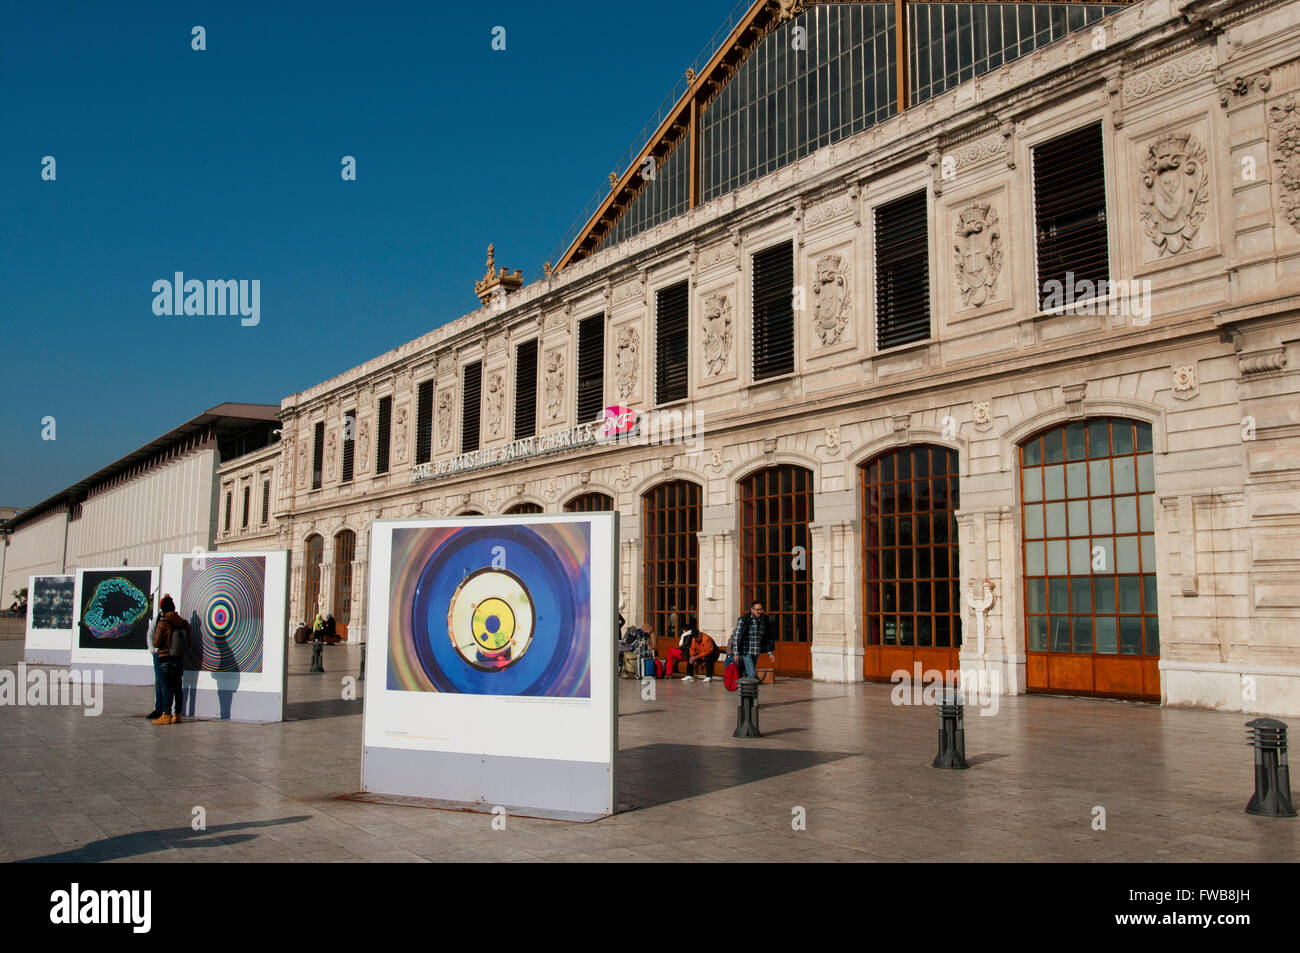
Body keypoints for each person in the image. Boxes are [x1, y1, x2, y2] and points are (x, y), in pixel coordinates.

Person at [152, 594, 190, 725]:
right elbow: (189, 641)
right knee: (178, 687)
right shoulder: (184, 623)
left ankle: (166, 715)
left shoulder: (162, 623)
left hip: (165, 659)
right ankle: (178, 714)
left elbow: (156, 643)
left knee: (166, 688)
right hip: (179, 660)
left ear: (163, 609)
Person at [731, 600, 776, 680]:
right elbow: (737, 637)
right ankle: (752, 687)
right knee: (752, 673)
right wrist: (736, 653)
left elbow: (767, 638)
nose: (759, 611)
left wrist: (770, 652)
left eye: (761, 609)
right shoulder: (744, 620)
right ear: (752, 609)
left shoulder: (764, 620)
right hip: (746, 651)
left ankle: (744, 686)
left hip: (756, 651)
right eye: (757, 609)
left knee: (747, 672)